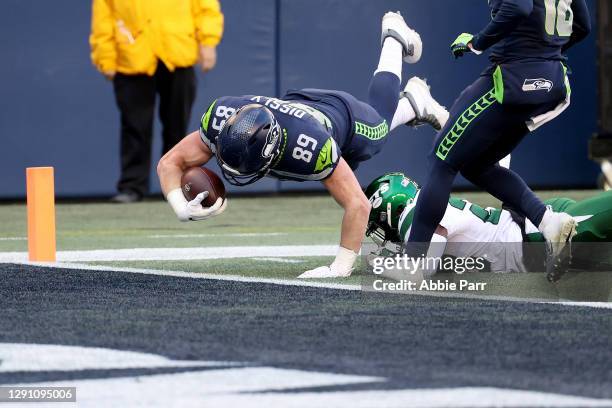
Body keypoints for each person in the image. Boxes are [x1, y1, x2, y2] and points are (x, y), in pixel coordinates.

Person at [157, 12, 449, 278]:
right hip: (300, 103)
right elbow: (170, 162)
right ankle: (413, 104)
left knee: (380, 128)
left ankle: (394, 38)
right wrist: (179, 206)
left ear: (273, 150)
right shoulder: (221, 117)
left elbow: (357, 204)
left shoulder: (310, 148)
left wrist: (341, 267)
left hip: (342, 118)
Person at [405, 0, 592, 275]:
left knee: (442, 160)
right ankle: (548, 222)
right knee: (476, 164)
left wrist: (477, 42)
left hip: (513, 80)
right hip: (552, 82)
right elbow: (583, 25)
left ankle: (413, 264)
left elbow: (518, 6)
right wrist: (544, 54)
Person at [90, 0, 224, 203]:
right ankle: (132, 186)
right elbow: (103, 18)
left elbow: (206, 8)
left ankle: (178, 185)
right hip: (132, 56)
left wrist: (208, 42)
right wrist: (105, 56)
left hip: (178, 52)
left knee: (177, 126)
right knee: (135, 127)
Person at [364, 172, 612, 280]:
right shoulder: (422, 206)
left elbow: (420, 273)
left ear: (389, 206)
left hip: (537, 238)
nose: (382, 232)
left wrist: (380, 263)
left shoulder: (413, 211)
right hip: (531, 243)